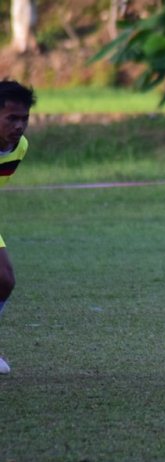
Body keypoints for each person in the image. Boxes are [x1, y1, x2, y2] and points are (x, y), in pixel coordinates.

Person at [0, 79, 35, 375]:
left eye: (24, 118)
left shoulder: (18, 147)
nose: (19, 125)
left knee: (4, 280)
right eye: (12, 118)